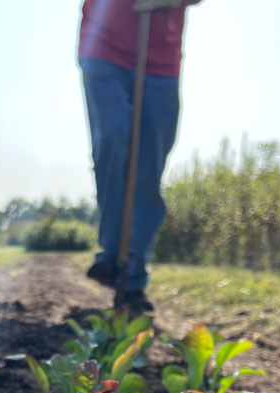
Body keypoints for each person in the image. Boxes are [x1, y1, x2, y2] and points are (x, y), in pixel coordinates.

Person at [79, 0, 201, 312]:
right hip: (103, 44)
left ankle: (132, 276)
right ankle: (112, 255)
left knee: (148, 169)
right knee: (112, 140)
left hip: (160, 59)